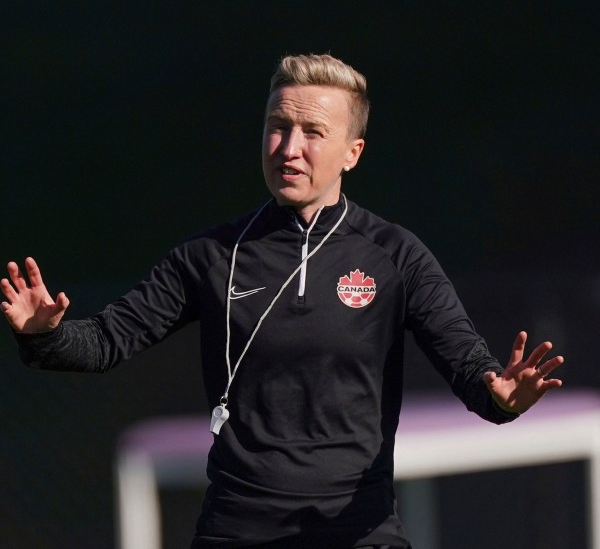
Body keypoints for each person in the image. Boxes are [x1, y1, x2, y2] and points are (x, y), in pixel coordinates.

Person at [1, 54, 564, 549]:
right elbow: (104, 342)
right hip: (237, 531)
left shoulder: (395, 254)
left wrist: (505, 397)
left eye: (312, 131)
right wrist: (41, 333)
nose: (290, 148)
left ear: (352, 152)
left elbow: (471, 369)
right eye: (278, 127)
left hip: (358, 533)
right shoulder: (210, 254)